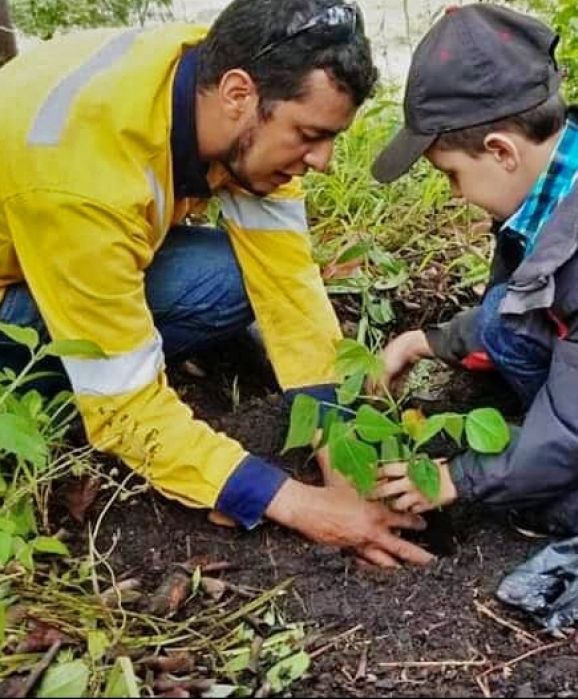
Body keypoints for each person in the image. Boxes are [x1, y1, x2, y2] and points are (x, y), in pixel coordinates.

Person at [0, 0, 433, 567]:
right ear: (238, 95)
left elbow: (286, 280)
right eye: (308, 134)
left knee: (235, 278)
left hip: (60, 222)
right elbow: (127, 411)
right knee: (107, 378)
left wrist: (337, 437)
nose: (323, 161)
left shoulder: (222, 70)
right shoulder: (85, 182)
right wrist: (303, 506)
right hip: (30, 255)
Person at [370, 4, 578, 534]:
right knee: (504, 316)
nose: (455, 194)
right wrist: (423, 341)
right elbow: (526, 302)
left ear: (500, 151)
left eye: (451, 175)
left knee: (550, 508)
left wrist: (461, 477)